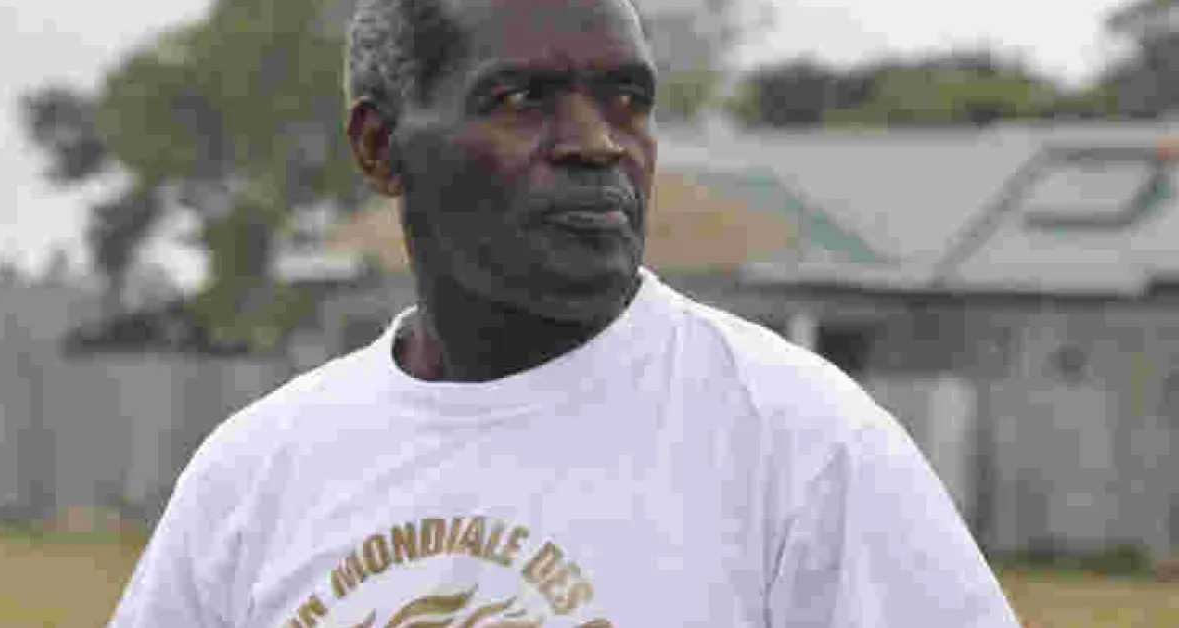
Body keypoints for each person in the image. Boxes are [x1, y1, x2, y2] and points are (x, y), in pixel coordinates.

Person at [108, 0, 1022, 626]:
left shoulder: (803, 448)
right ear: (381, 146)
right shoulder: (257, 475)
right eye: (520, 100)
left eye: (629, 100)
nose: (597, 143)